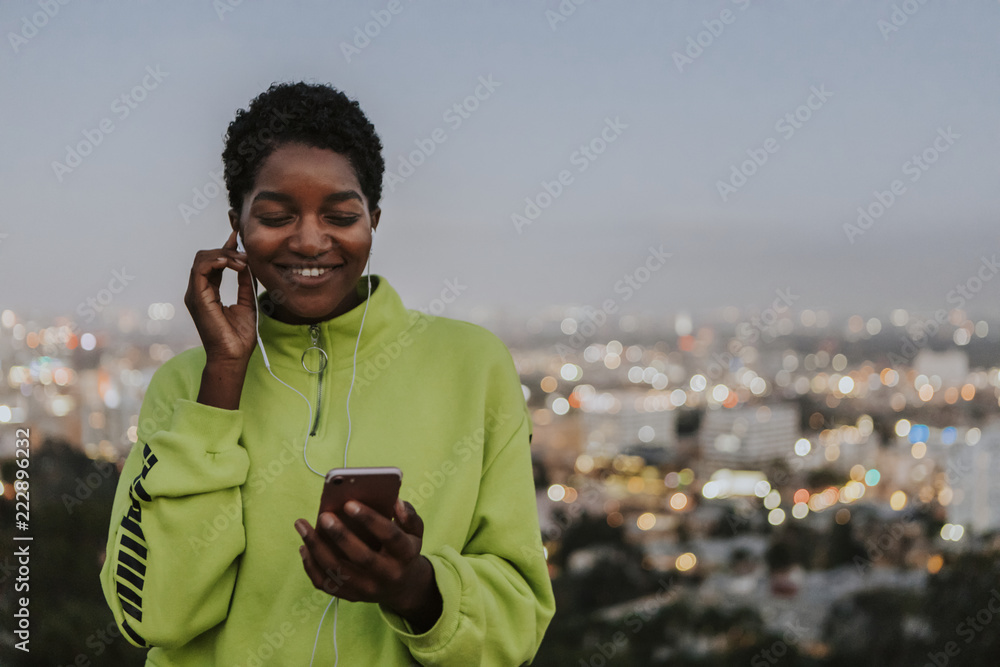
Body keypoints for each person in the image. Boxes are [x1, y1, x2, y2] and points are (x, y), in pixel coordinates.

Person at [100, 81, 555, 666]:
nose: (311, 240)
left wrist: (412, 588)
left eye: (341, 215)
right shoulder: (186, 386)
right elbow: (153, 617)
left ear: (374, 220)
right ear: (235, 224)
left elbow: (517, 624)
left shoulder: (473, 365)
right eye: (274, 215)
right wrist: (223, 378)